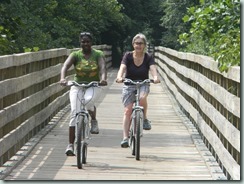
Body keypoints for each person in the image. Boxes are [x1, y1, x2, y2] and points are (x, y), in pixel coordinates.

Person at [60, 32, 107, 156]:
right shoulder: (75, 55)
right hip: (77, 85)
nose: (85, 44)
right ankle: (70, 145)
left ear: (91, 42)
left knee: (87, 101)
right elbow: (65, 65)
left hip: (94, 84)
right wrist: (63, 78)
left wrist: (103, 79)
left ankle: (93, 120)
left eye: (88, 41)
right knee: (74, 112)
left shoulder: (98, 54)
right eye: (83, 42)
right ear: (80, 43)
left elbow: (102, 67)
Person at [116, 33, 160, 148]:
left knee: (142, 98)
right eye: (136, 43)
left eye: (141, 43)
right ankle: (125, 138)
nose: (138, 46)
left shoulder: (148, 57)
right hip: (129, 84)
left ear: (145, 45)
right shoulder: (128, 56)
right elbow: (122, 67)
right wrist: (120, 76)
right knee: (127, 111)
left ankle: (144, 118)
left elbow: (153, 68)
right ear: (133, 44)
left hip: (143, 83)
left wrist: (155, 77)